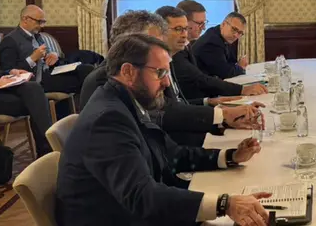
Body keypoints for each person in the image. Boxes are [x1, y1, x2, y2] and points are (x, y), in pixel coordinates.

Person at [55, 34, 272, 226]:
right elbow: (142, 197)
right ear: (128, 72)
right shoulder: (108, 119)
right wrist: (224, 204)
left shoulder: (127, 101)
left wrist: (230, 156)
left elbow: (172, 155)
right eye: (160, 73)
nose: (167, 83)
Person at [82, 10, 260, 147]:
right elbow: (163, 118)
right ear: (127, 44)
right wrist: (222, 118)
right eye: (153, 43)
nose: (184, 35)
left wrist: (222, 124)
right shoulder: (105, 81)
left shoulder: (154, 66)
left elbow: (171, 108)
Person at [0, 11, 53, 156]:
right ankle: (49, 148)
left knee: (32, 88)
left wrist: (11, 72)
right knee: (36, 102)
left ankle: (47, 149)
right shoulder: (10, 40)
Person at [167, 2, 266, 100]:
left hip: (201, 97)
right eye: (200, 23)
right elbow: (203, 79)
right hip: (198, 97)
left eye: (204, 23)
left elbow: (230, 64)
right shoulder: (208, 42)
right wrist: (242, 89)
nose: (204, 28)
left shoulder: (190, 43)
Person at [0, 5, 94, 96]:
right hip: (36, 81)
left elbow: (47, 52)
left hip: (51, 71)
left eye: (43, 22)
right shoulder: (9, 40)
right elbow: (7, 72)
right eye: (39, 22)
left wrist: (53, 54)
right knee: (86, 78)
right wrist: (32, 59)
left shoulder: (36, 35)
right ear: (25, 19)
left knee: (87, 69)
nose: (42, 26)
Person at [80, 10, 167, 107]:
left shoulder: (143, 68)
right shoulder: (103, 80)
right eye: (153, 45)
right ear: (126, 44)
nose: (160, 50)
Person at [193, 12, 250, 79]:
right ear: (223, 24)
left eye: (240, 33)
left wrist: (237, 66)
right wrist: (240, 67)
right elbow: (225, 73)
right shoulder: (212, 42)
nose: (236, 35)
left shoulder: (223, 36)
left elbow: (231, 62)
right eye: (234, 29)